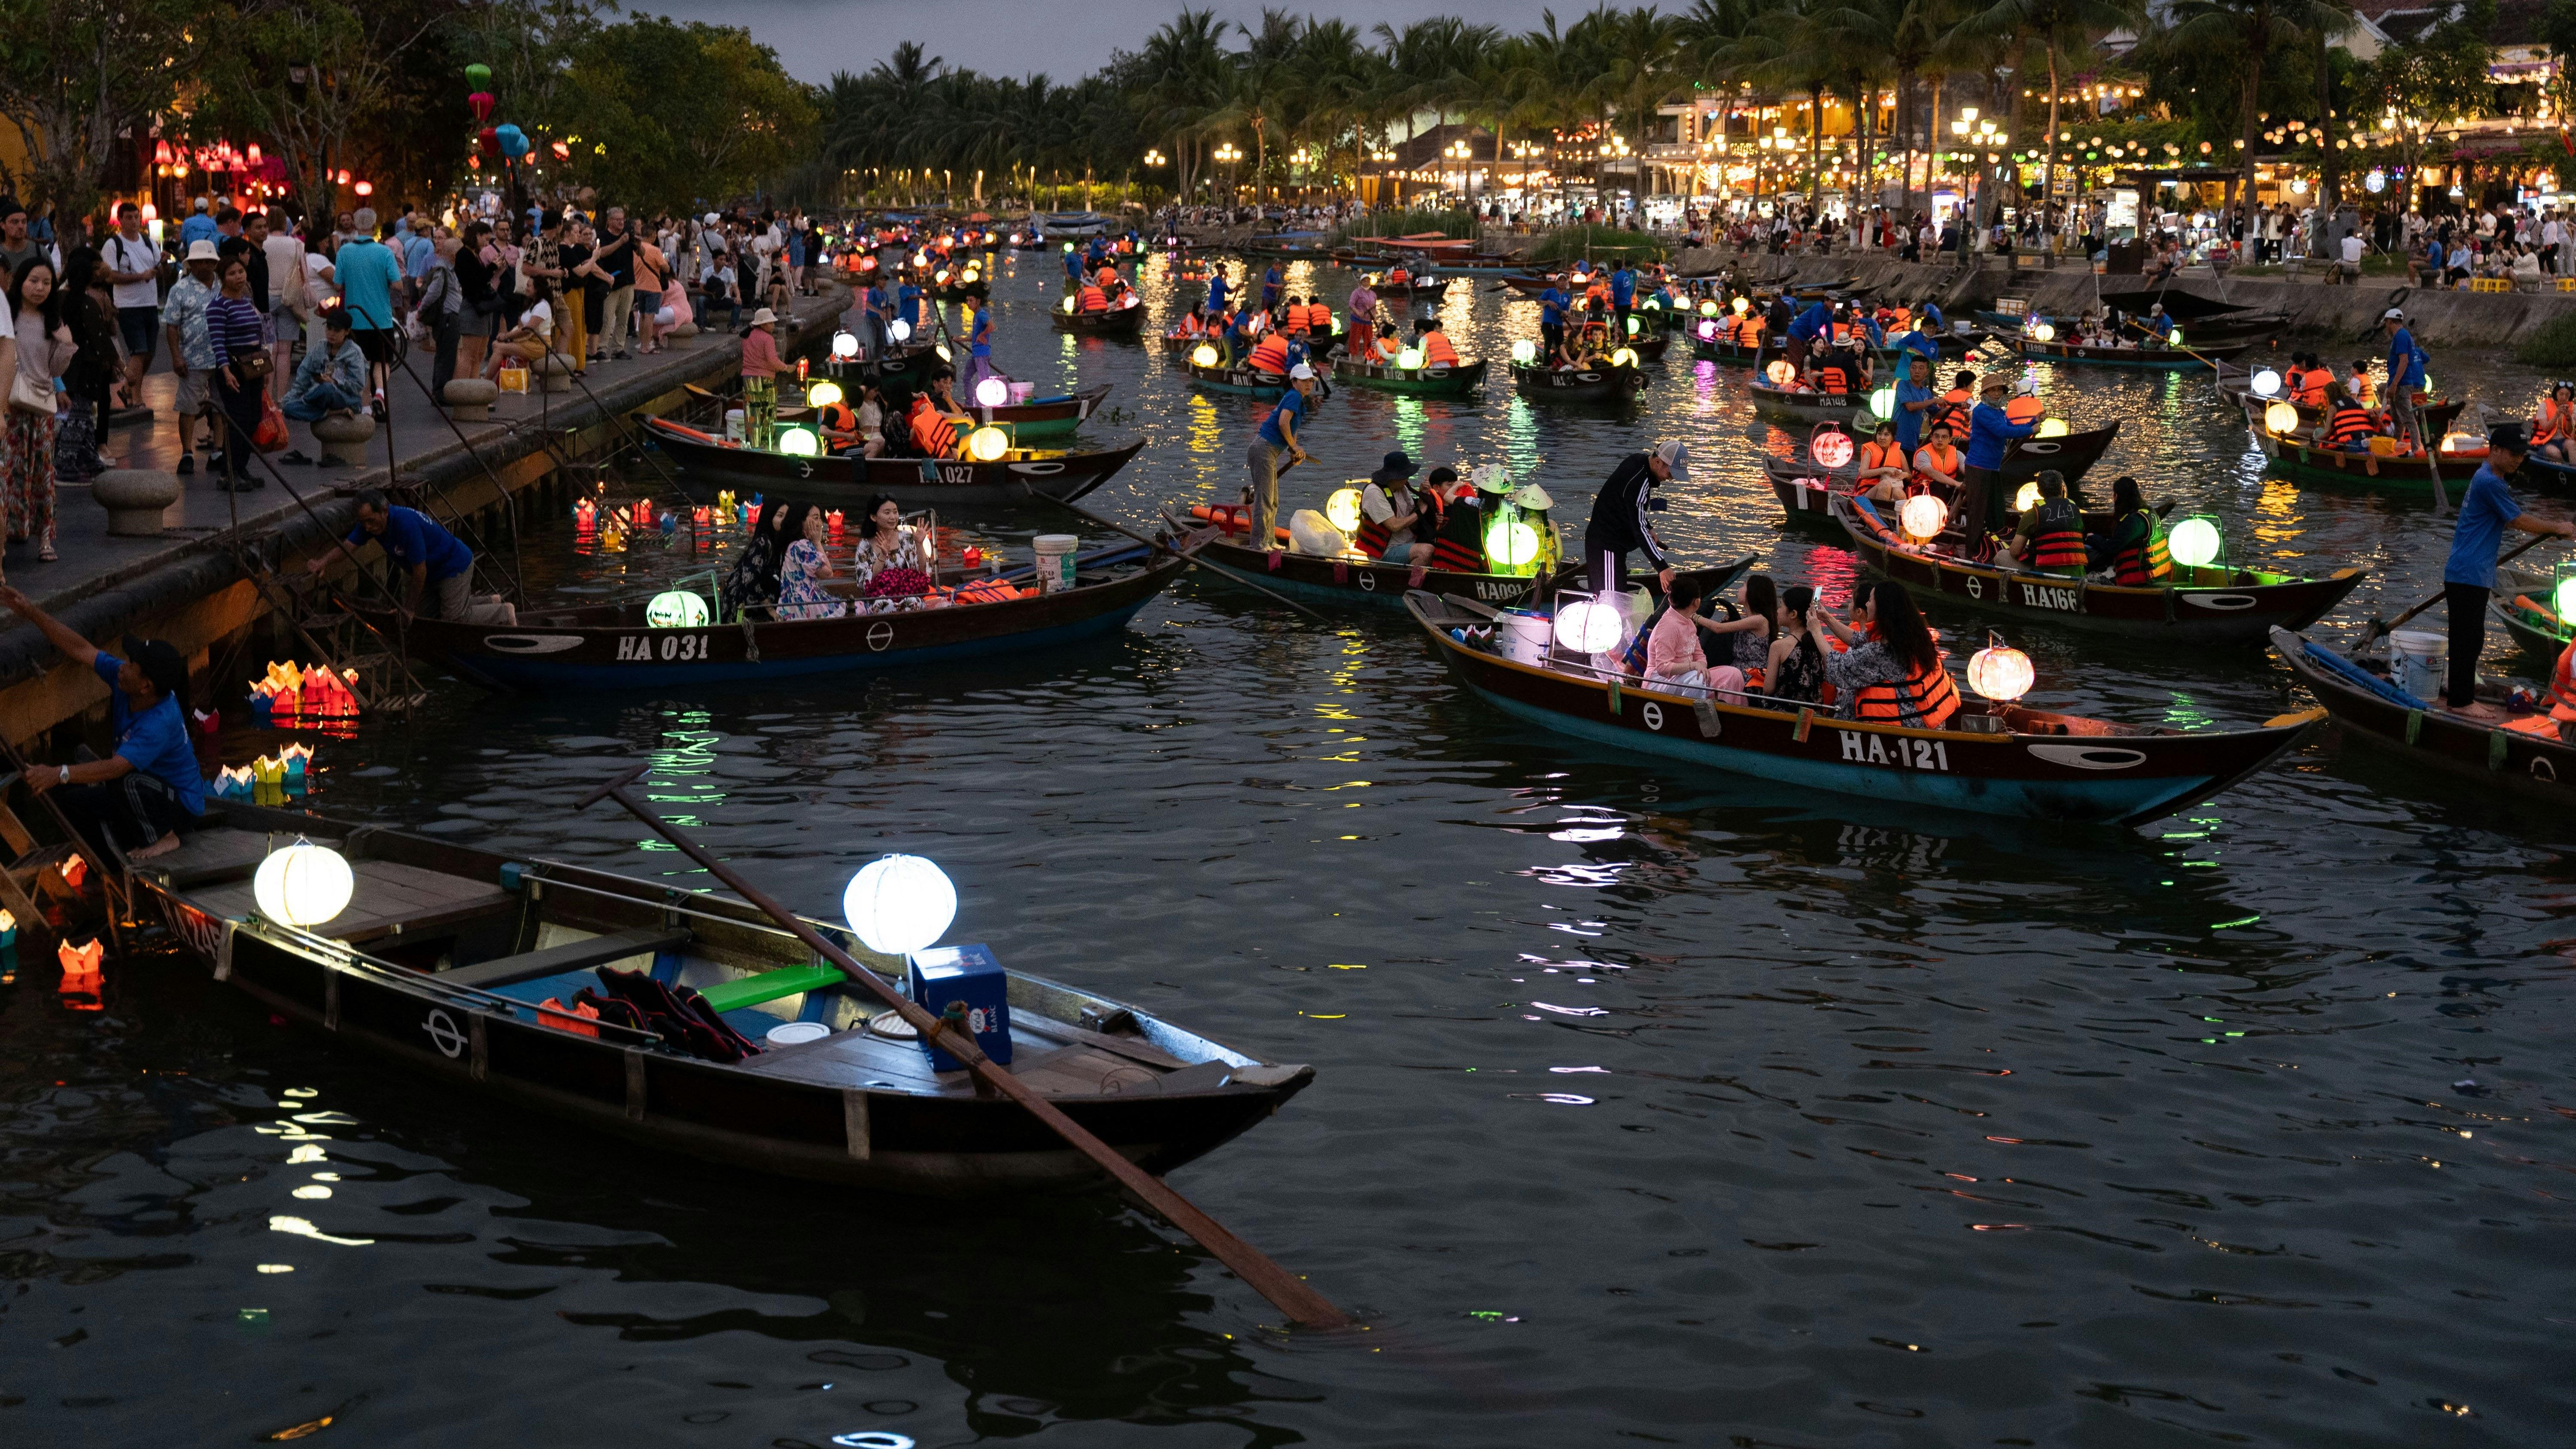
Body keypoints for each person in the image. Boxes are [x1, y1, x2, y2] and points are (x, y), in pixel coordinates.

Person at [0, 587, 200, 858]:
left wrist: (58, 773)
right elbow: (81, 648)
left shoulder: (159, 722)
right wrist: (30, 612)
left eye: (131, 665)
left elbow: (117, 768)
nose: (122, 667)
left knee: (124, 780)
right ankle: (112, 867)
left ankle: (165, 838)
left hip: (177, 806)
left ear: (146, 686)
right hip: (141, 792)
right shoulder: (124, 681)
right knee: (72, 802)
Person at [2441, 427, 2576, 720]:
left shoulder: (2489, 476)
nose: (2518, 459)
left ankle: (2462, 696)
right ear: (2496, 450)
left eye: (2521, 454)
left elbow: (2510, 523)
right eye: (2513, 453)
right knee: (2467, 639)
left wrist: (2554, 529)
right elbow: (2517, 519)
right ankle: (2461, 702)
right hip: (2468, 573)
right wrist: (2556, 526)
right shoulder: (2490, 482)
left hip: (2473, 572)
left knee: (2472, 637)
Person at [306, 488, 501, 623]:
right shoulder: (371, 525)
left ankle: (502, 612)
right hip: (432, 573)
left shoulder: (406, 525)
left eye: (371, 521)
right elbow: (348, 546)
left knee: (454, 620)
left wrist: (408, 609)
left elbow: (419, 572)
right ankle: (490, 601)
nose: (367, 527)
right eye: (363, 522)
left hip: (453, 566)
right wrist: (323, 562)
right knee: (425, 619)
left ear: (385, 511)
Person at [1814, 580, 1960, 728]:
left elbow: (1837, 666)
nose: (1867, 605)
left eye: (1870, 601)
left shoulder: (1881, 651)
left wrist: (1816, 631)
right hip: (1929, 722)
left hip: (1905, 732)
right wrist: (1826, 618)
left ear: (1882, 610)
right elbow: (1858, 639)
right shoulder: (1911, 637)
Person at [7, 254, 73, 559]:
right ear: (20, 282)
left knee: (43, 473)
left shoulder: (53, 321)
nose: (40, 288)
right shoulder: (8, 316)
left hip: (41, 405)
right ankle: (12, 528)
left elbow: (55, 368)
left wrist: (66, 344)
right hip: (10, 405)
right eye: (33, 281)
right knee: (10, 471)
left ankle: (46, 537)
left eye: (47, 282)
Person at [205, 248, 270, 492]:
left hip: (253, 364)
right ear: (223, 278)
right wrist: (225, 371)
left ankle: (241, 467)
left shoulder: (246, 302)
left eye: (241, 272)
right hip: (233, 367)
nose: (239, 277)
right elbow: (218, 342)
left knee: (253, 418)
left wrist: (264, 365)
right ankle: (228, 472)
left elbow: (258, 332)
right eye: (232, 274)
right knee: (238, 419)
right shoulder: (217, 307)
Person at [1585, 440, 1685, 595]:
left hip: (1604, 544)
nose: (1671, 478)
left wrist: (1649, 527)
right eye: (1671, 473)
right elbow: (1639, 530)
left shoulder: (1638, 462)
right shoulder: (1640, 482)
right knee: (1612, 603)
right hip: (1607, 546)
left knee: (1602, 601)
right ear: (1659, 462)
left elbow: (1631, 509)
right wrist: (1662, 567)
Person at [161, 240, 221, 475]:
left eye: (209, 261)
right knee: (188, 406)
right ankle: (187, 452)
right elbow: (172, 326)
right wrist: (177, 357)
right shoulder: (181, 289)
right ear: (191, 265)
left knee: (220, 406)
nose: (205, 266)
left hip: (222, 357)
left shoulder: (223, 286)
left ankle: (218, 450)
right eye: (200, 262)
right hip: (193, 358)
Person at [334, 210, 402, 413]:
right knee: (382, 361)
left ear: (355, 225)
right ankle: (380, 392)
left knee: (361, 363)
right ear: (375, 227)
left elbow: (338, 286)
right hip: (381, 318)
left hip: (355, 319)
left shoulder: (344, 252)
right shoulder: (385, 252)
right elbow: (398, 285)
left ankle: (365, 408)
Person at [1243, 364, 1316, 551]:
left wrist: (1294, 451)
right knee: (1265, 500)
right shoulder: (1293, 396)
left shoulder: (1299, 402)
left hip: (1269, 452)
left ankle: (1268, 541)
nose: (1309, 384)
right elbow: (1283, 421)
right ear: (1294, 382)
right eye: (1305, 381)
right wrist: (1293, 446)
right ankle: (1259, 545)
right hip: (1263, 450)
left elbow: (1292, 428)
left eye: (1311, 381)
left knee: (1273, 501)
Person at [1961, 374, 2038, 541]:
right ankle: (1972, 550)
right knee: (1977, 512)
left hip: (1993, 467)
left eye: (1999, 390)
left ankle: (1995, 542)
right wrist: (2031, 431)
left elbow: (2011, 427)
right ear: (1985, 393)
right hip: (1979, 467)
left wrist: (2032, 422)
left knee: (1996, 509)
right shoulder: (1981, 411)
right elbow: (2003, 432)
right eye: (1992, 390)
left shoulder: (1999, 412)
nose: (1996, 393)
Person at [279, 308, 369, 453]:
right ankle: (331, 413)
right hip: (318, 397)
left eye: (337, 331)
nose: (331, 334)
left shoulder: (354, 352)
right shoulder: (320, 347)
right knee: (289, 409)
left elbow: (358, 385)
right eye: (329, 328)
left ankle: (309, 401)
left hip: (345, 398)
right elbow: (303, 377)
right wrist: (287, 401)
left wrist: (335, 382)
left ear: (346, 332)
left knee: (327, 389)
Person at [102, 202, 162, 405]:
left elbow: (156, 268)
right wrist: (140, 276)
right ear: (120, 220)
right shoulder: (113, 245)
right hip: (128, 305)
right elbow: (110, 277)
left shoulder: (148, 242)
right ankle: (137, 399)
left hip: (150, 303)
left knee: (149, 355)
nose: (134, 221)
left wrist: (161, 266)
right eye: (129, 217)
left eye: (137, 217)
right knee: (139, 352)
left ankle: (128, 388)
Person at [1999, 470, 2087, 574]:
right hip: (2078, 574)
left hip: (2045, 574)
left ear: (2039, 492)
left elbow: (2015, 552)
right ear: (2062, 489)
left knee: (2001, 555)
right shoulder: (2075, 509)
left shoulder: (2032, 514)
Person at [1355, 451, 1431, 565]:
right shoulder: (1374, 492)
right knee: (1426, 551)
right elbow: (1394, 526)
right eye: (1405, 476)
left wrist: (1423, 497)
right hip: (1386, 551)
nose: (1407, 479)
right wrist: (1420, 513)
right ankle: (1405, 582)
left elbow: (1412, 520)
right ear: (1394, 477)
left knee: (1439, 547)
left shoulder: (1402, 488)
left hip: (1409, 543)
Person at [721, 499, 792, 619]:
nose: (784, 521)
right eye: (780, 516)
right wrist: (771, 611)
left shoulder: (779, 543)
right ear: (770, 517)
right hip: (744, 606)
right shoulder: (762, 543)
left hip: (762, 602)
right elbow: (749, 578)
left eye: (787, 517)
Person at [774, 503, 844, 619]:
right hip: (805, 607)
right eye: (816, 518)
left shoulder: (793, 545)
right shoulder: (802, 546)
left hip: (790, 607)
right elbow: (828, 574)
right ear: (801, 521)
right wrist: (817, 542)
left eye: (820, 519)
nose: (820, 523)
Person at [2100, 475, 2171, 585]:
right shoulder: (2149, 512)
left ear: (2117, 496)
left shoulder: (2135, 521)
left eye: (2114, 495)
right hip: (2157, 578)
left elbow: (2111, 548)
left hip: (2143, 583)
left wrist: (2092, 539)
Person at [1763, 584, 1827, 705]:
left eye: (1781, 606)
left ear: (1793, 614)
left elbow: (1768, 689)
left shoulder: (1778, 646)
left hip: (1784, 713)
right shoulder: (1821, 645)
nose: (1778, 610)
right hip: (1812, 713)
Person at [850, 495, 925, 589]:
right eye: (887, 513)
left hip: (908, 594)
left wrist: (919, 545)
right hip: (881, 598)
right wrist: (883, 555)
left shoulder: (907, 537)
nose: (893, 517)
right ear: (873, 517)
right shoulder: (864, 545)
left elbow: (923, 573)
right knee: (888, 604)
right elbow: (865, 584)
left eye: (895, 512)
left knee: (914, 601)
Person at [2382, 307, 2428, 445]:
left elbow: (2404, 361)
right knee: (2397, 418)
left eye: (2386, 323)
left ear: (2390, 322)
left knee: (2409, 419)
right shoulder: (2402, 336)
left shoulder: (2401, 336)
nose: (2386, 326)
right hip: (2398, 383)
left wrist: (2395, 384)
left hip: (2402, 384)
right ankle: (2397, 444)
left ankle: (2416, 449)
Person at [740, 306, 783, 447]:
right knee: (769, 411)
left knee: (752, 412)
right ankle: (767, 444)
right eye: (771, 323)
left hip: (749, 379)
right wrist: (786, 367)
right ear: (763, 324)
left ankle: (753, 445)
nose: (773, 325)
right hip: (765, 380)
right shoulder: (768, 339)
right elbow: (773, 361)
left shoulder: (747, 336)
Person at [1893, 354, 1937, 456]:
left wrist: (1957, 406)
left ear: (1927, 371)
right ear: (1909, 370)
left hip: (1913, 443)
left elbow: (1938, 414)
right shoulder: (1903, 385)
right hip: (1897, 441)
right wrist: (1934, 401)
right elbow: (1910, 407)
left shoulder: (1927, 393)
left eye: (1921, 368)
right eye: (1914, 368)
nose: (1917, 371)